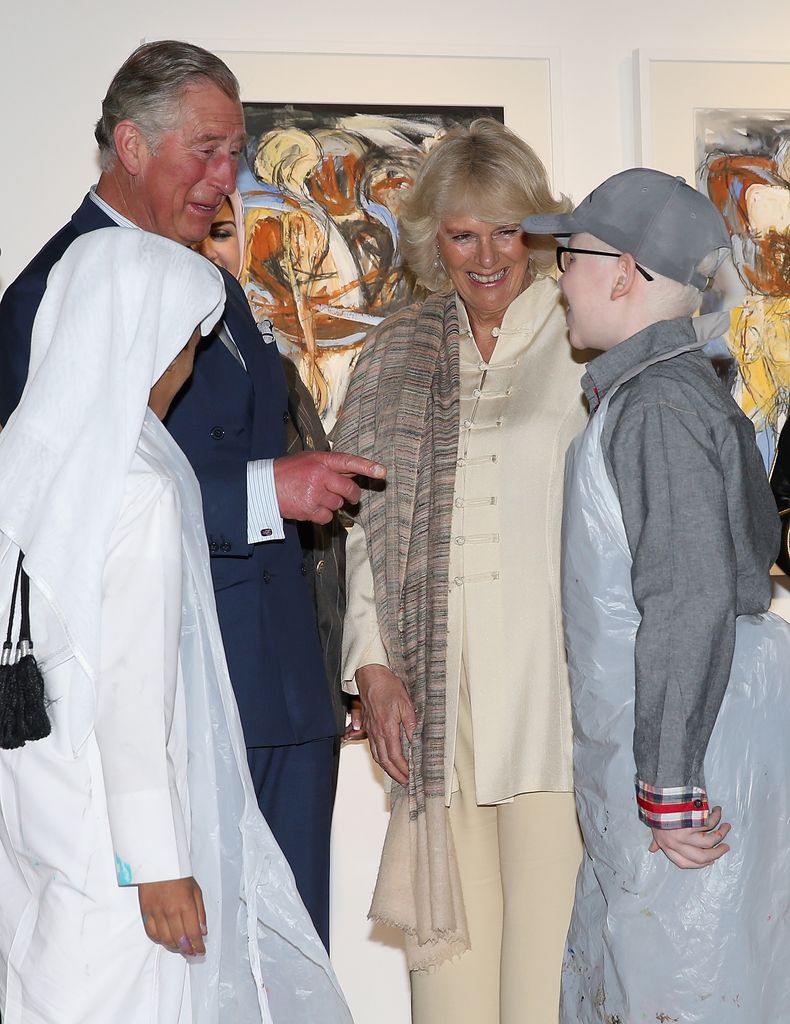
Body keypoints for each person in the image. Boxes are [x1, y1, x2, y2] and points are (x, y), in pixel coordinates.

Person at [0, 40, 384, 951]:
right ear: (130, 147)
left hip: (281, 686)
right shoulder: (54, 288)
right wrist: (264, 489)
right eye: (204, 150)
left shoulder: (209, 277)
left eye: (234, 152)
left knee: (290, 965)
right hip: (172, 700)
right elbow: (53, 512)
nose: (226, 177)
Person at [0, 228, 352, 1023]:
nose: (187, 370)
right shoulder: (141, 483)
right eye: (186, 345)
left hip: (34, 820)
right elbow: (131, 691)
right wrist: (157, 865)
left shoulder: (25, 458)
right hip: (115, 846)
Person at [333, 118, 586, 1023]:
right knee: (446, 997)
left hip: (557, 710)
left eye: (509, 230)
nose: (487, 255)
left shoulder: (582, 337)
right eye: (463, 233)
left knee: (547, 994)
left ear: (541, 232)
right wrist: (372, 669)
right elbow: (361, 525)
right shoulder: (394, 350)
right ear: (434, 241)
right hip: (434, 721)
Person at [523, 168, 790, 1021]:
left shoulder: (659, 409)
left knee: (684, 988)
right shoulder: (659, 395)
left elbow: (686, 596)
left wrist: (671, 787)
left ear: (624, 273)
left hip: (693, 758)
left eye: (568, 256)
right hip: (690, 743)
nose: (557, 277)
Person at [194, 191, 354, 749]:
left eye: (221, 232)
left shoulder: (277, 371)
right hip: (209, 685)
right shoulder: (147, 371)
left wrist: (342, 678)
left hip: (302, 686)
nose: (209, 250)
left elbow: (324, 543)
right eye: (197, 231)